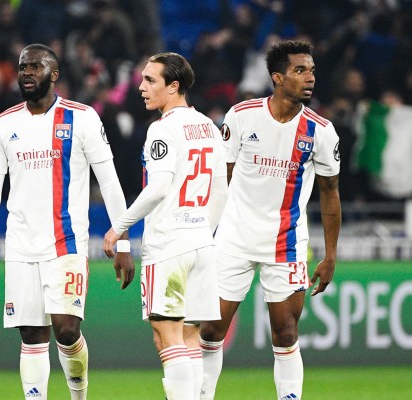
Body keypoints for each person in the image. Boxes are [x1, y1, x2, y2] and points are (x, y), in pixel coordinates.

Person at [0, 43, 134, 400]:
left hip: (66, 243)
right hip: (20, 245)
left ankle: (79, 395)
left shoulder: (83, 118)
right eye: (22, 67)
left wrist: (123, 242)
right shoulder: (4, 124)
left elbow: (109, 182)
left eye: (35, 67)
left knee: (67, 330)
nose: (27, 73)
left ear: (54, 74)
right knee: (31, 334)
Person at [198, 40, 342, 400]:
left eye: (311, 71)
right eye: (300, 70)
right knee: (211, 331)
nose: (310, 78)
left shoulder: (321, 131)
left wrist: (331, 254)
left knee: (286, 333)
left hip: (287, 243)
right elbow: (220, 180)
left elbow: (330, 193)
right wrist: (204, 234)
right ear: (277, 77)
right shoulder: (241, 116)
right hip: (234, 239)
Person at [103, 52, 228, 400]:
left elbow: (158, 187)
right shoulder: (209, 126)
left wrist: (118, 227)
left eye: (150, 80)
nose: (141, 87)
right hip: (201, 243)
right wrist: (201, 229)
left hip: (169, 245)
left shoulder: (162, 128)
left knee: (167, 336)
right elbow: (221, 190)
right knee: (188, 337)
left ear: (173, 86)